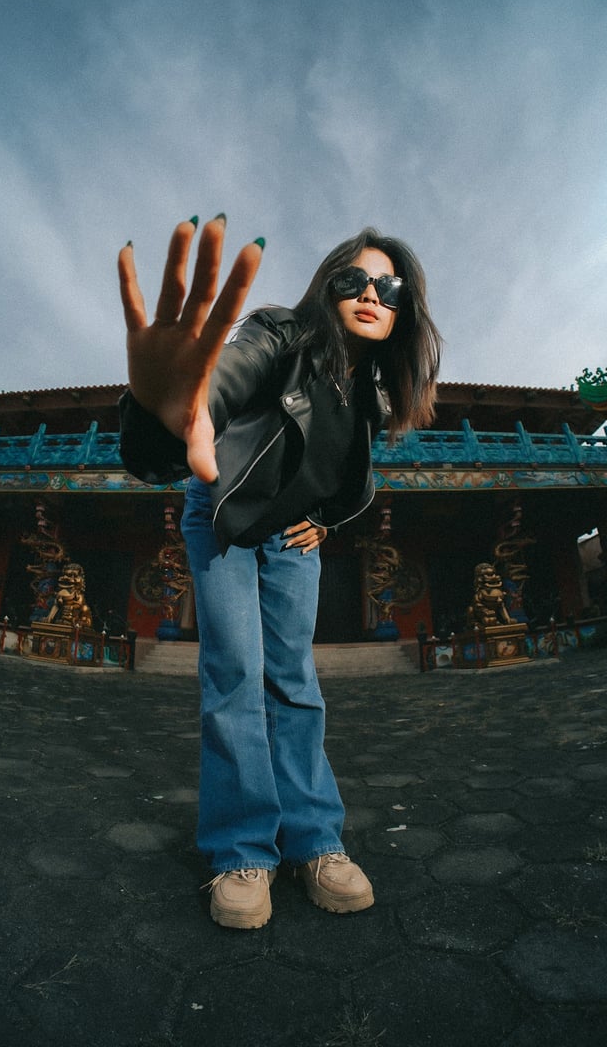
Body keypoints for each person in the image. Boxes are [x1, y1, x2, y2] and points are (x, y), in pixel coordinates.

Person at [118, 214, 441, 929]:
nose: (371, 294)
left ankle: (316, 842)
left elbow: (349, 481)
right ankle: (242, 850)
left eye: (388, 288)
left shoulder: (372, 395)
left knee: (293, 681)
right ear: (328, 287)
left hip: (294, 540)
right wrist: (173, 411)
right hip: (226, 516)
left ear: (403, 310)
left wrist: (326, 520)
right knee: (237, 673)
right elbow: (219, 387)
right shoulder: (277, 333)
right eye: (354, 279)